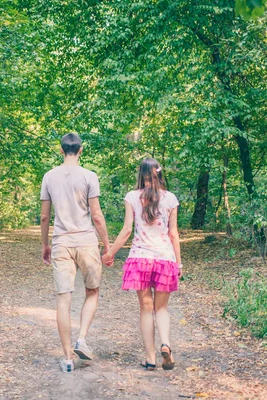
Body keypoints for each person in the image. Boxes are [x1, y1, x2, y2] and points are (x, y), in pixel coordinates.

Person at [101, 157, 182, 371]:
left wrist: (110, 253)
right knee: (162, 308)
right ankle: (166, 343)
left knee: (146, 309)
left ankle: (151, 359)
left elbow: (127, 230)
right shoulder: (171, 198)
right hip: (165, 258)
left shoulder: (132, 197)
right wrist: (179, 263)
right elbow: (173, 233)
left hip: (140, 259)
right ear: (160, 174)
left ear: (141, 174)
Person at [40, 133, 111, 373]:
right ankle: (82, 338)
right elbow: (97, 215)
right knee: (92, 292)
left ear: (61, 150)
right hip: (87, 242)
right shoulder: (89, 176)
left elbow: (44, 216)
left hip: (61, 242)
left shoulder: (49, 176)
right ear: (81, 150)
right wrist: (108, 246)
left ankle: (68, 359)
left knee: (63, 298)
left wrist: (45, 245)